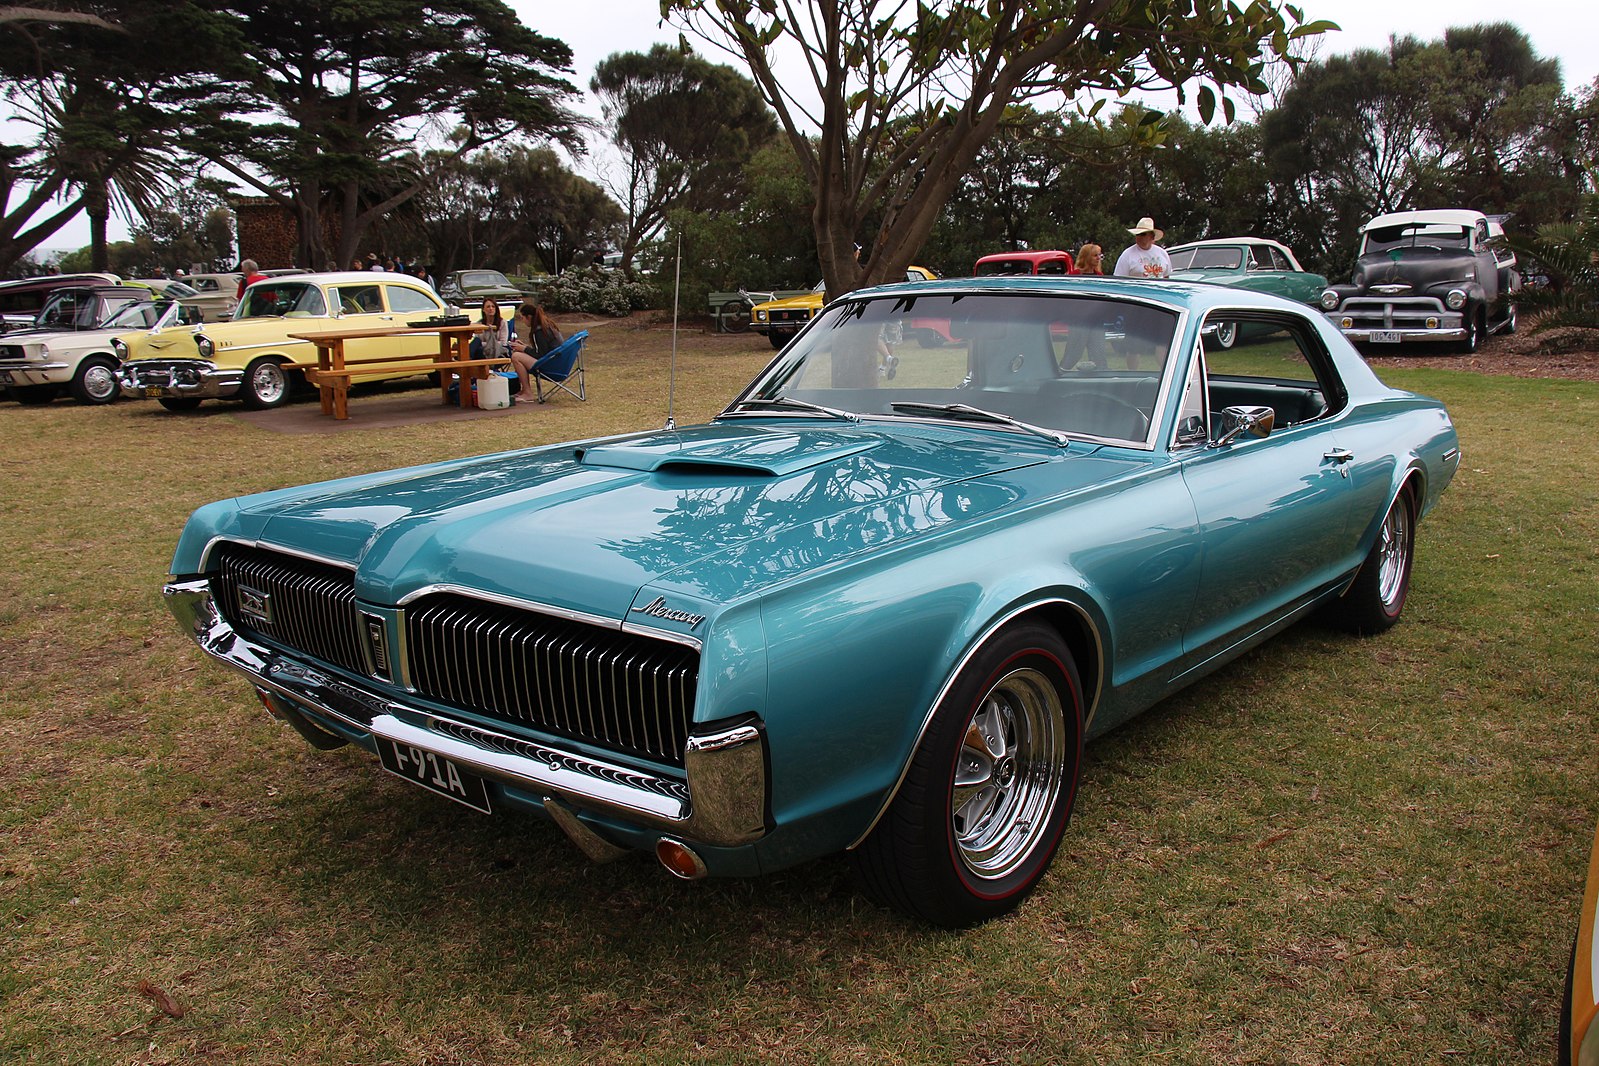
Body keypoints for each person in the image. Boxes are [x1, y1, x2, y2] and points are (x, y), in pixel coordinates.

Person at [508, 303, 564, 396]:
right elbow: (543, 350)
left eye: (522, 318)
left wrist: (524, 349)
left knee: (516, 356)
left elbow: (541, 355)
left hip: (551, 367)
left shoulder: (538, 331)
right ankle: (523, 390)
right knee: (519, 353)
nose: (522, 321)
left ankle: (527, 393)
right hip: (558, 364)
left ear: (529, 317)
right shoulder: (547, 326)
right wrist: (524, 347)